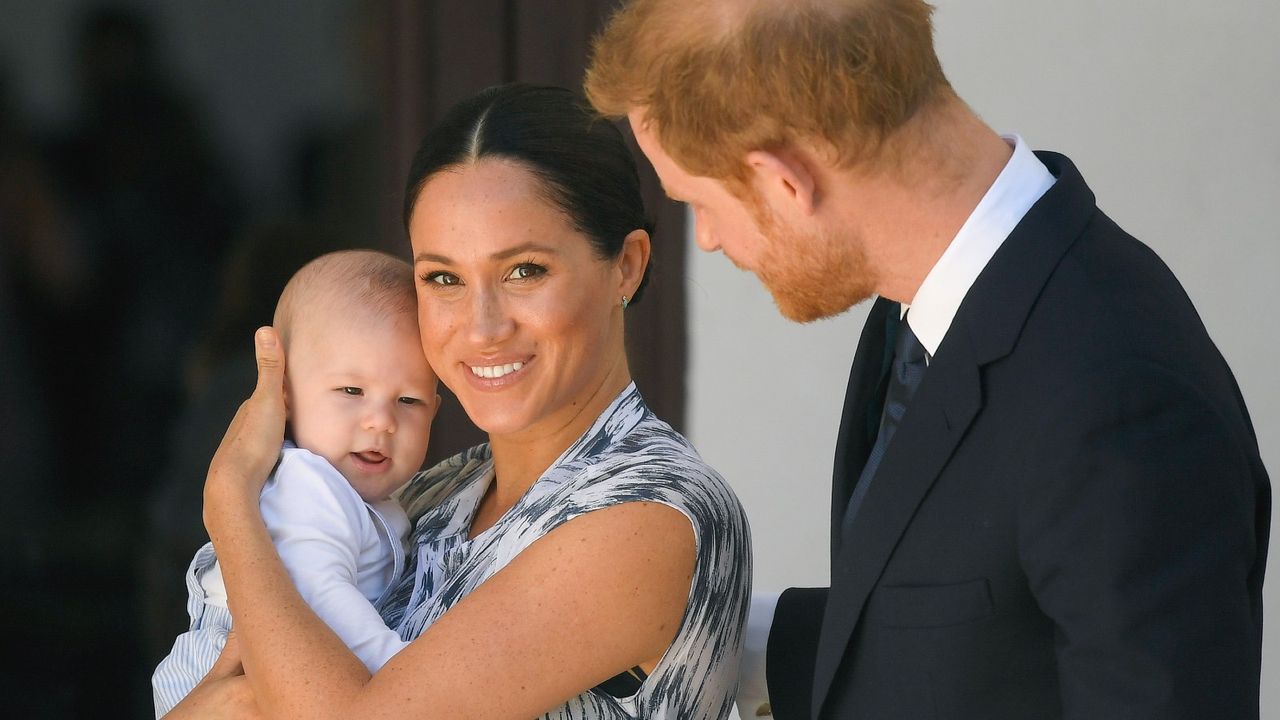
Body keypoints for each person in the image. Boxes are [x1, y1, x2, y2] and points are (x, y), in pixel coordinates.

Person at [585, 1, 1270, 719]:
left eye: (699, 202)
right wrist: (683, 624)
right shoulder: (926, 304)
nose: (709, 240)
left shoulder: (1120, 397)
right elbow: (974, 634)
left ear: (785, 181)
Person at [168, 83, 751, 719]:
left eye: (525, 270)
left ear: (627, 266)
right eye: (443, 278)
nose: (481, 327)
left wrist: (230, 504)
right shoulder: (433, 493)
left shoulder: (651, 512)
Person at [152, 249, 438, 716]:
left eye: (409, 401)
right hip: (228, 675)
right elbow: (320, 594)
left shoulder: (373, 496)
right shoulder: (308, 485)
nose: (381, 421)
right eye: (352, 391)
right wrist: (399, 672)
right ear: (283, 395)